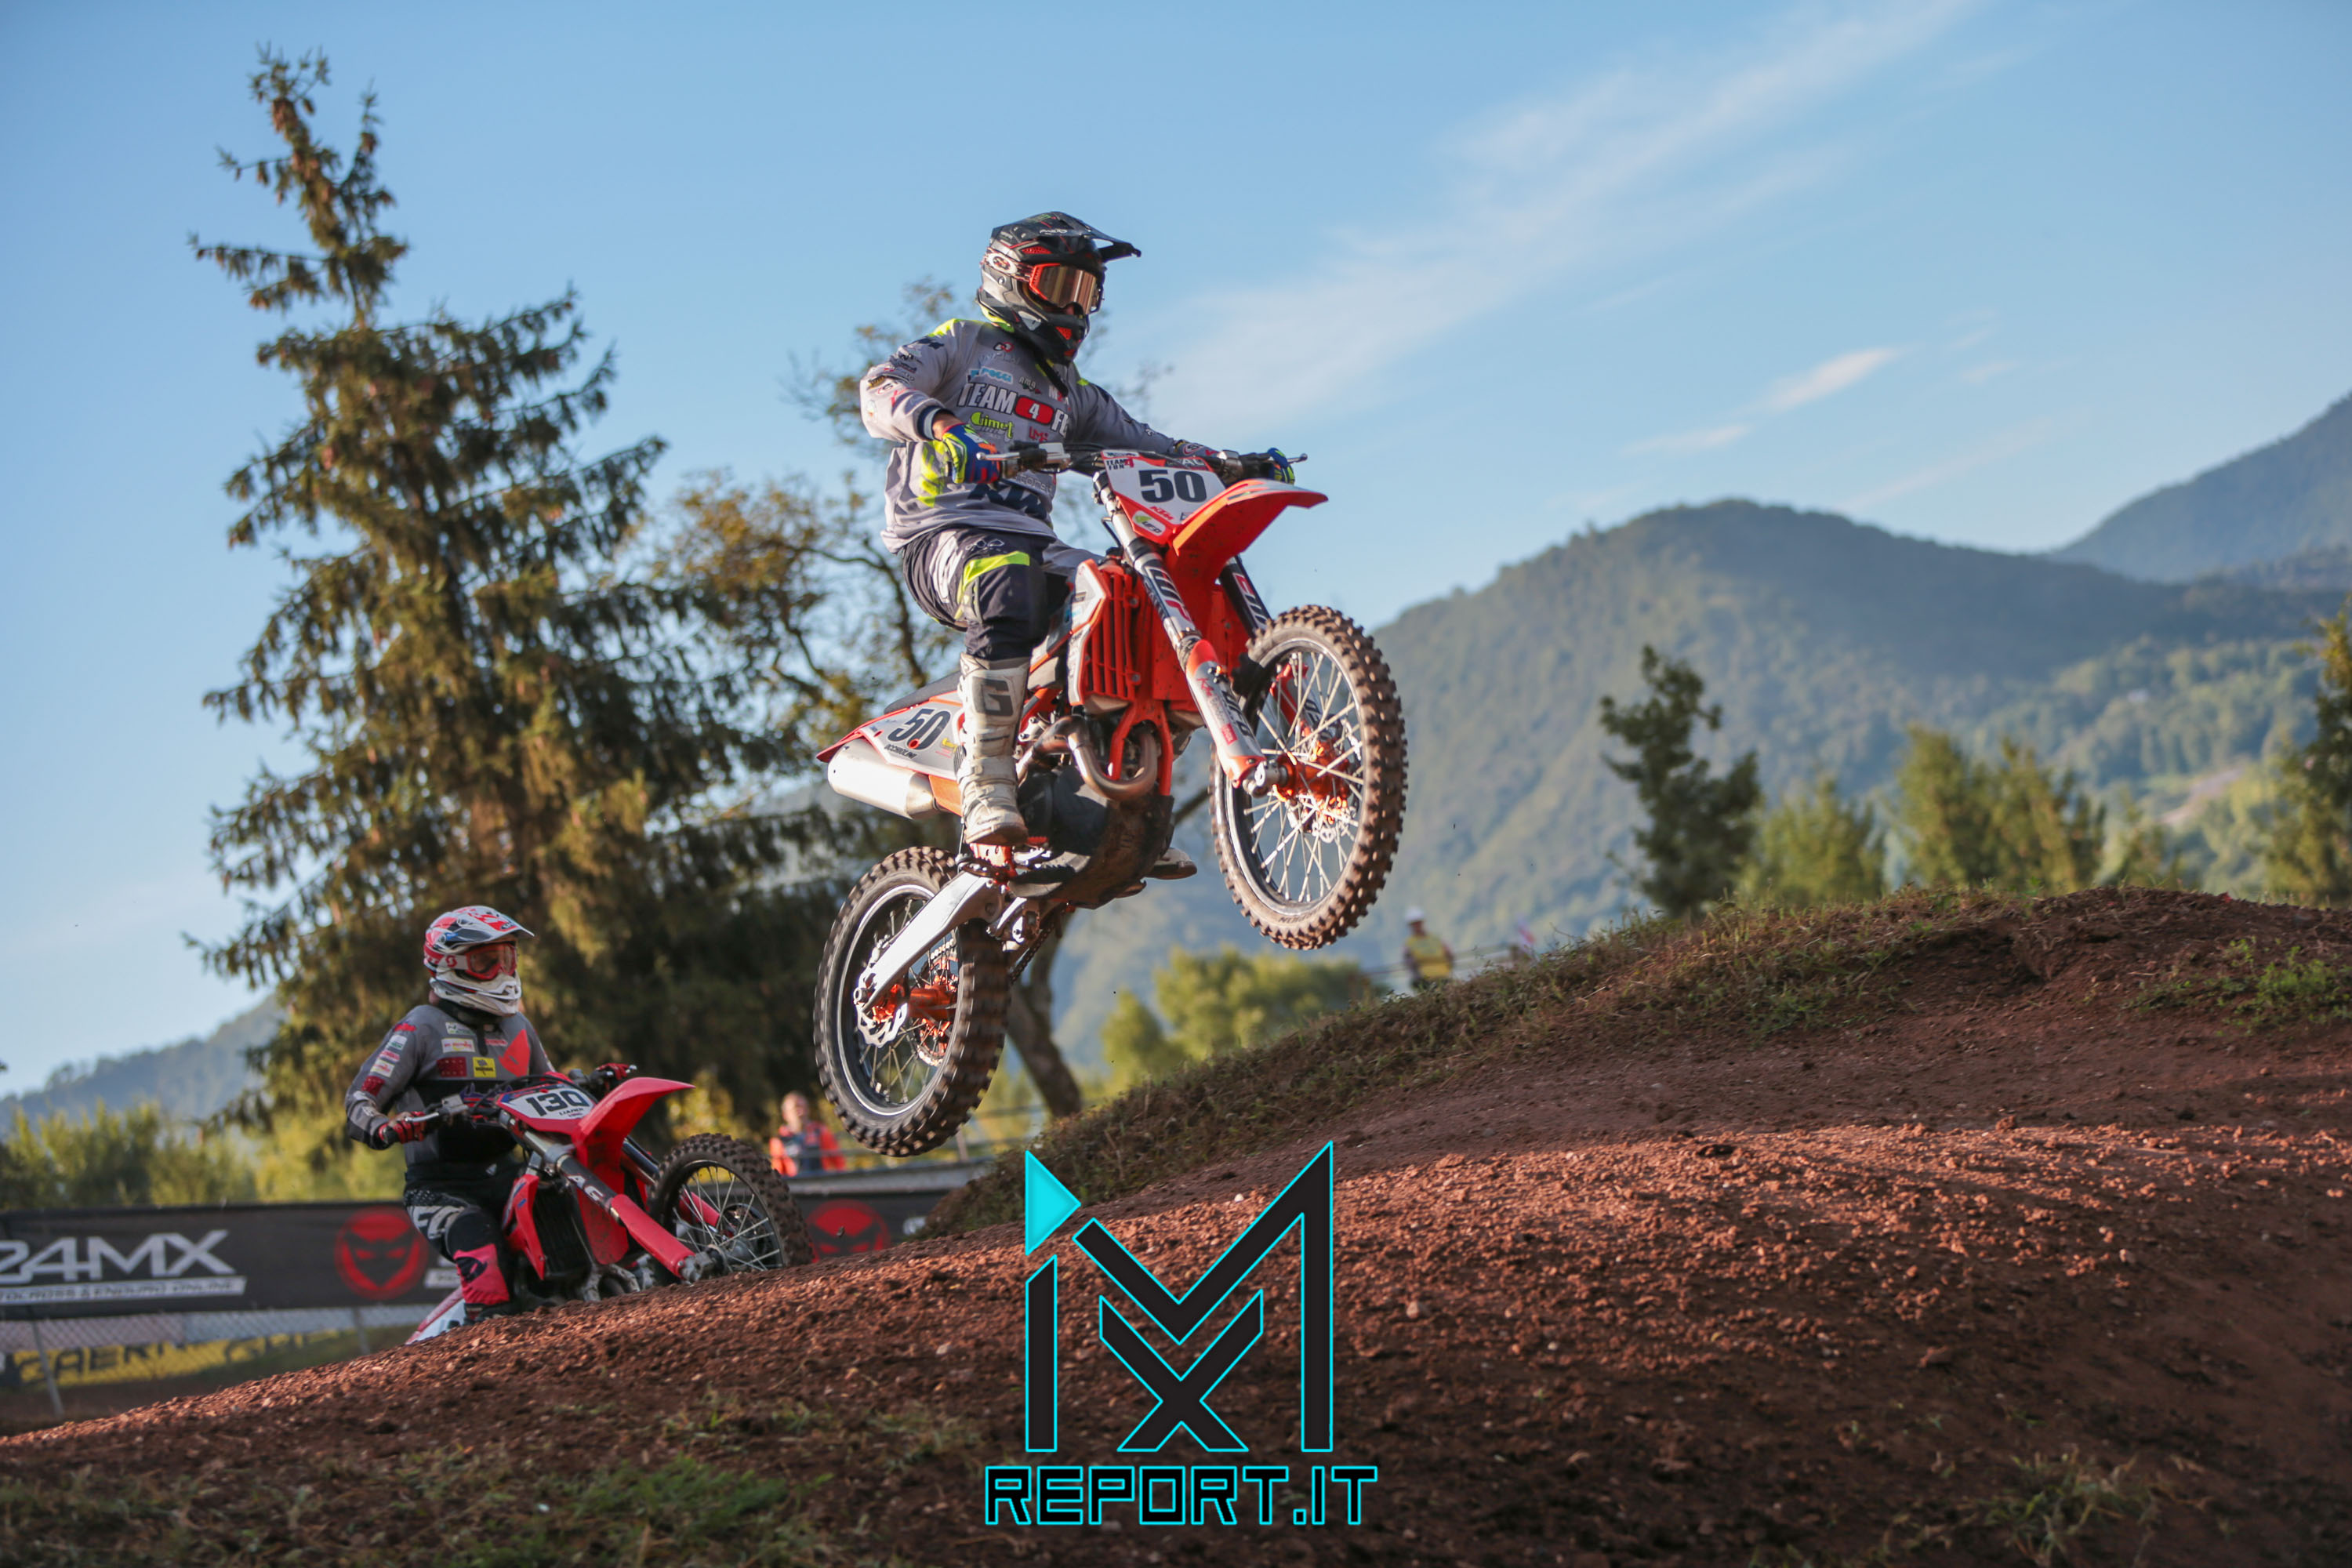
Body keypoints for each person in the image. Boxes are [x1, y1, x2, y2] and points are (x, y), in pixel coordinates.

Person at [858, 212, 1291, 852]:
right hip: (943, 534)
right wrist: (945, 428)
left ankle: (1126, 802)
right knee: (1005, 575)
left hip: (1035, 545)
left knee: (1134, 604)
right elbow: (879, 388)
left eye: (1086, 293)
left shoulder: (1072, 394)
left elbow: (1155, 447)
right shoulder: (962, 344)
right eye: (1059, 286)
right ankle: (985, 779)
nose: (1073, 307)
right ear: (1009, 278)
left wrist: (1233, 465)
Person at [343, 906, 560, 1326]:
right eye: (486, 961)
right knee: (484, 1256)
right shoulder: (420, 1027)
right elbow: (359, 1100)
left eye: (507, 959)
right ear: (449, 965)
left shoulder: (519, 1027)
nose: (502, 972)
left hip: (512, 1176)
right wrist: (387, 1127)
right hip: (442, 1189)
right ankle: (489, 1346)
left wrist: (588, 1084)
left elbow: (552, 1085)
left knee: (567, 1226)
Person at [768, 1091, 847, 1178]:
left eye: (803, 1108)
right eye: (796, 1108)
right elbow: (778, 1172)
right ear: (785, 1114)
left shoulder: (821, 1132)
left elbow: (839, 1162)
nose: (801, 1112)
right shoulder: (779, 1140)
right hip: (797, 1184)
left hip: (822, 1182)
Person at [1403, 907, 1454, 993]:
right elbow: (1409, 965)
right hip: (1425, 983)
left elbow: (1450, 955)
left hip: (1444, 978)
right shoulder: (1409, 944)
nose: (1417, 926)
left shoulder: (1437, 939)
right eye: (1414, 924)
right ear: (1411, 926)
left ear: (1422, 922)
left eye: (1418, 923)